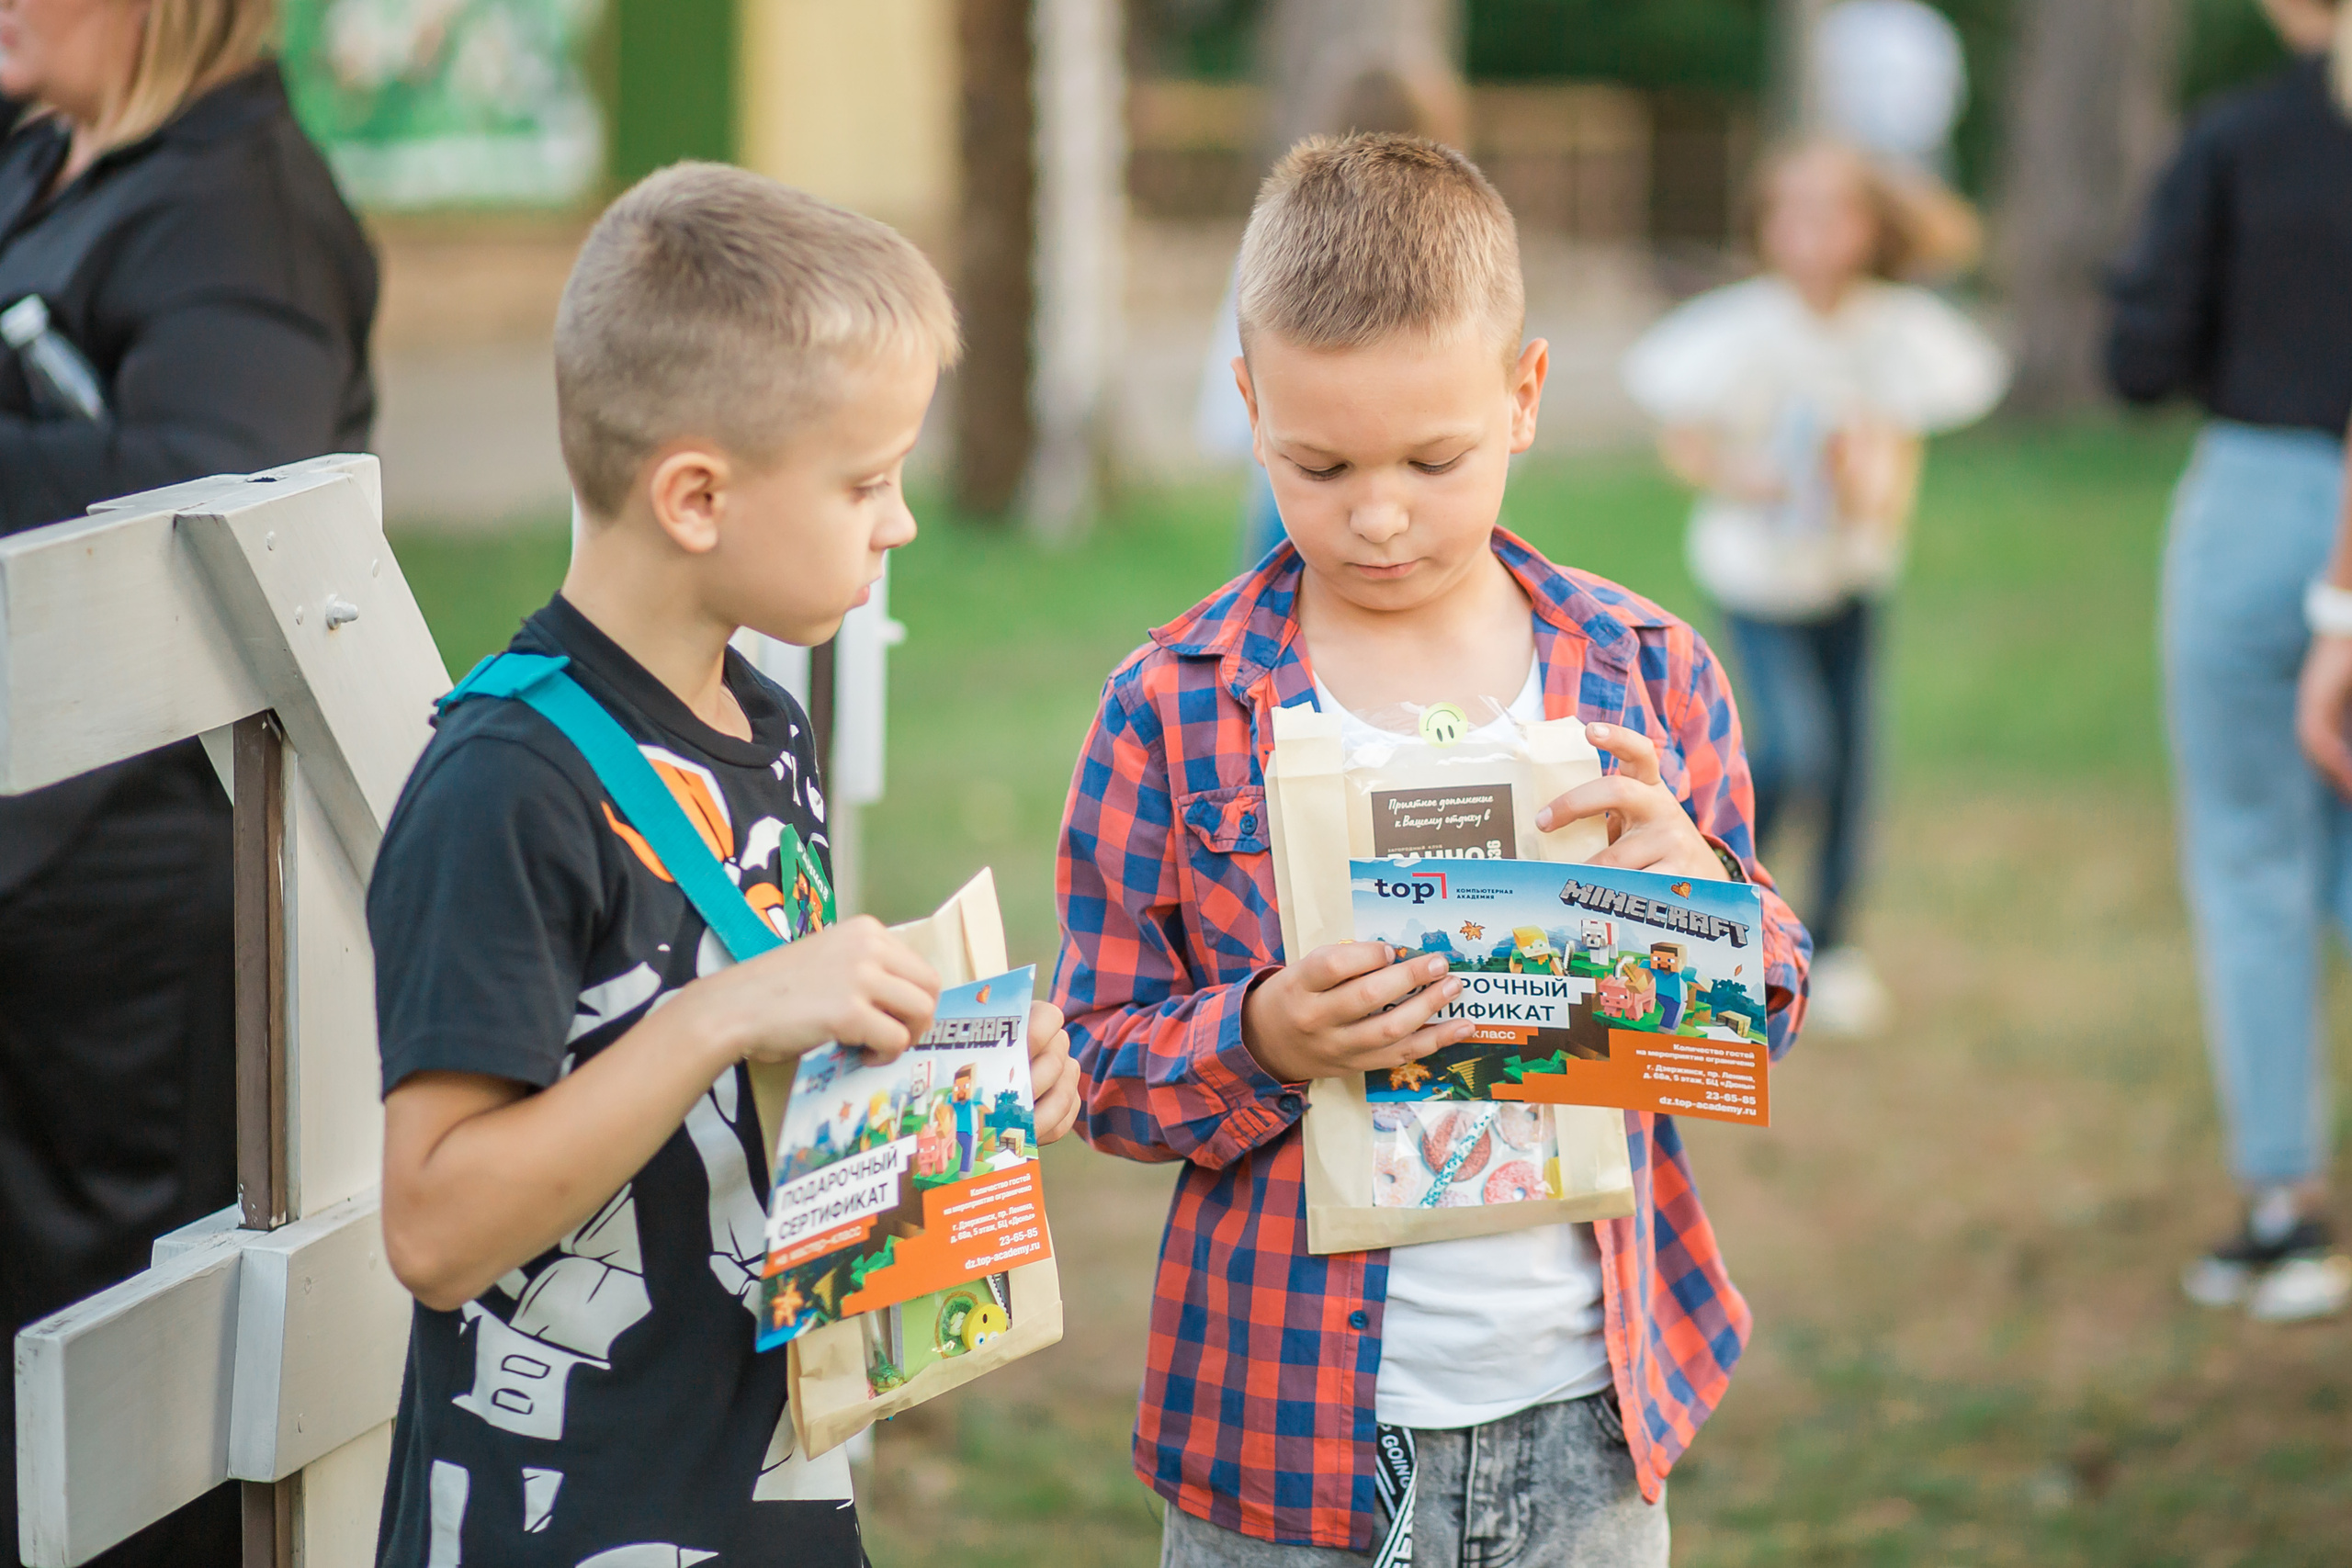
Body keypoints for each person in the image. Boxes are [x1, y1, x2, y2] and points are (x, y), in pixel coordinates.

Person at [1054, 134, 1811, 1565]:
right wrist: (1264, 1033)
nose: (1382, 512)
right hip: (1281, 1437)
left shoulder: (1649, 672)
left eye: (1434, 457)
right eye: (1318, 463)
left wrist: (1698, 899)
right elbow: (1097, 1059)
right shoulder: (1166, 706)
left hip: (1590, 1417)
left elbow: (1761, 1009)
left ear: (1523, 397)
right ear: (1247, 405)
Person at [367, 164, 1081, 1565]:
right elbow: (436, 1227)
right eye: (866, 481)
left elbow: (768, 1103)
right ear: (696, 496)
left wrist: (965, 1085)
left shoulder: (765, 724)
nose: (901, 520)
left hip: (766, 1492)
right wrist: (721, 1015)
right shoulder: (505, 786)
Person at [0, 3, 376, 1562]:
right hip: (42, 898)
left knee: (117, 1425)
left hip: (138, 931)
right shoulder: (46, 149)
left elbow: (205, 535)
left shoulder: (248, 222)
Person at [1620, 140, 2006, 1039]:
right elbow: (1683, 439)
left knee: (1854, 768)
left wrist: (1870, 492)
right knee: (1793, 754)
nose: (1811, 231)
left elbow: (1901, 448)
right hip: (1756, 578)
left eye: (1833, 212)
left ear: (1872, 226)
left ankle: (1831, 950)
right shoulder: (1740, 329)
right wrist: (1749, 478)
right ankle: (1726, 903)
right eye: (1791, 211)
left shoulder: (1892, 332)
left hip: (1851, 578)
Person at [2107, 0, 2352, 1323]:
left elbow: (2140, 354)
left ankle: (2287, 1205)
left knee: (2254, 857)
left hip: (2261, 497)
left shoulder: (2239, 141)